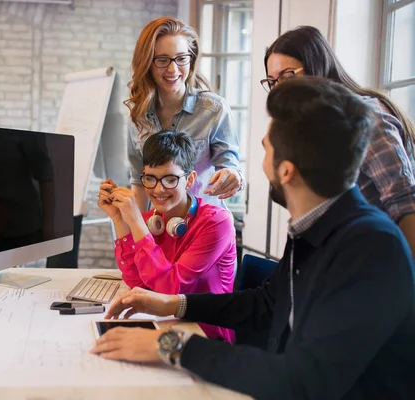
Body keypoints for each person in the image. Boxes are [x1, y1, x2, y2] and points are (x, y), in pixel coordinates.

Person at [91, 78, 415, 399]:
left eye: (265, 148)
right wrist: (175, 302)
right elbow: (265, 303)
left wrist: (171, 345)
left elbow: (305, 380)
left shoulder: (370, 247)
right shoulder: (316, 227)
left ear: (285, 171)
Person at [260, 25, 415, 257]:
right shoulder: (313, 127)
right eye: (272, 81)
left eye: (288, 75)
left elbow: (405, 202)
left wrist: (403, 280)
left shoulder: (365, 115)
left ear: (317, 67)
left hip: (380, 260)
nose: (279, 89)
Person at [98, 131, 236, 341]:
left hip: (205, 334)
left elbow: (172, 290)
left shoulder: (217, 223)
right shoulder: (152, 221)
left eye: (170, 179)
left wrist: (135, 221)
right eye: (150, 179)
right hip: (167, 325)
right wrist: (119, 219)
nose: (159, 189)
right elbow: (136, 281)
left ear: (189, 180)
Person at [126, 17, 243, 211]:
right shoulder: (137, 116)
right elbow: (138, 182)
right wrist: (137, 234)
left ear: (192, 59)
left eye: (181, 59)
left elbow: (230, 167)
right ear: (147, 63)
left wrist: (233, 176)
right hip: (161, 229)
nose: (173, 69)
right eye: (162, 60)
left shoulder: (214, 110)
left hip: (206, 228)